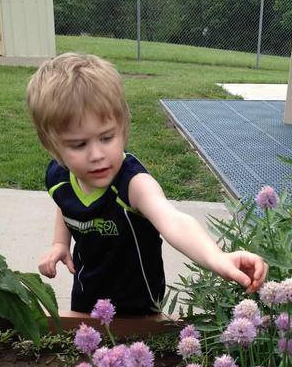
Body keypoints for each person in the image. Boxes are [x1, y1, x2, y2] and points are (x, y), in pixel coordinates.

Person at [26, 53, 268, 315]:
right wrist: (60, 244)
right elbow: (65, 205)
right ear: (53, 147)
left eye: (107, 138)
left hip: (138, 305)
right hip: (87, 296)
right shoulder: (59, 177)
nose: (97, 155)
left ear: (123, 127)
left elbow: (173, 220)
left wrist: (217, 258)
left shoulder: (133, 184)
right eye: (79, 145)